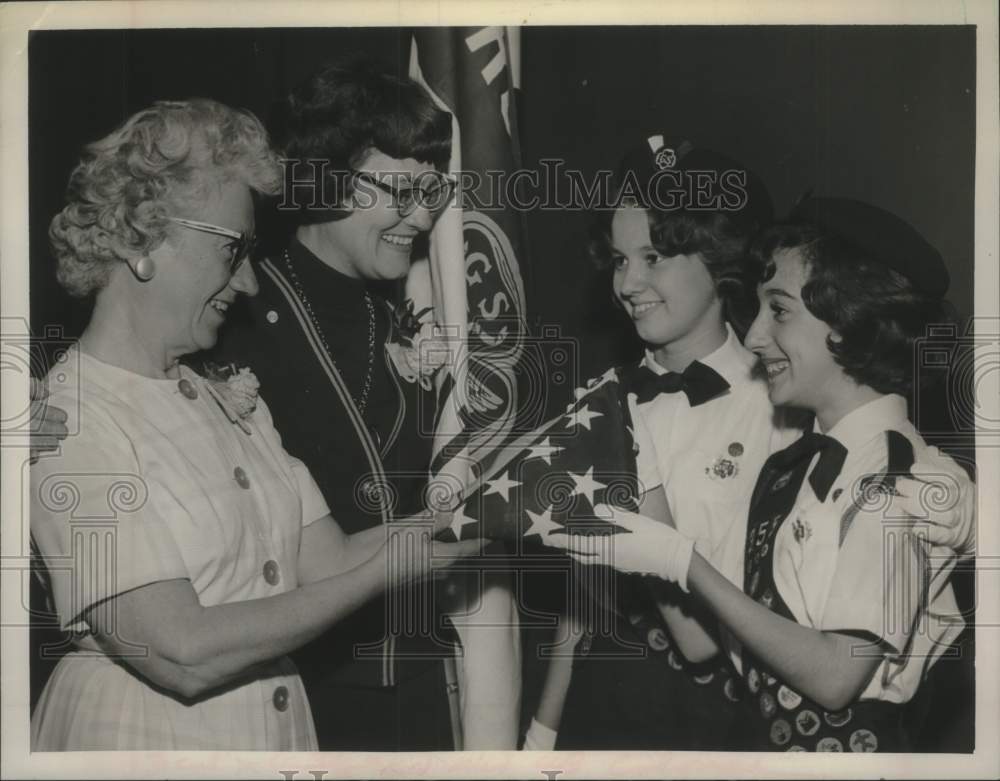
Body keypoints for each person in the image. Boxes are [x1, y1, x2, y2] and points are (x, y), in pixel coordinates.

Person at [29, 98, 477, 751]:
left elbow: (328, 561)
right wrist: (383, 574)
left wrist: (488, 512)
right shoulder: (63, 418)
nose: (248, 283)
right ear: (144, 240)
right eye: (232, 250)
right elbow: (181, 650)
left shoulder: (225, 399)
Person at [551, 196, 974, 752]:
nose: (753, 337)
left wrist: (683, 563)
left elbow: (835, 675)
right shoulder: (790, 469)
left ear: (846, 323)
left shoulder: (904, 485)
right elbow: (727, 646)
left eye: (779, 311)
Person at [202, 59, 472, 751]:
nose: (421, 216)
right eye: (402, 191)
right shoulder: (228, 315)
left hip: (419, 684)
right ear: (324, 179)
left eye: (432, 192)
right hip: (288, 692)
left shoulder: (421, 316)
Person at [524, 135, 804, 751]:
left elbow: (702, 639)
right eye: (621, 260)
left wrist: (636, 486)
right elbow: (585, 595)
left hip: (703, 717)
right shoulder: (607, 396)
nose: (629, 282)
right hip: (595, 704)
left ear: (719, 261)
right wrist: (544, 728)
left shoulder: (774, 411)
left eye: (653, 257)